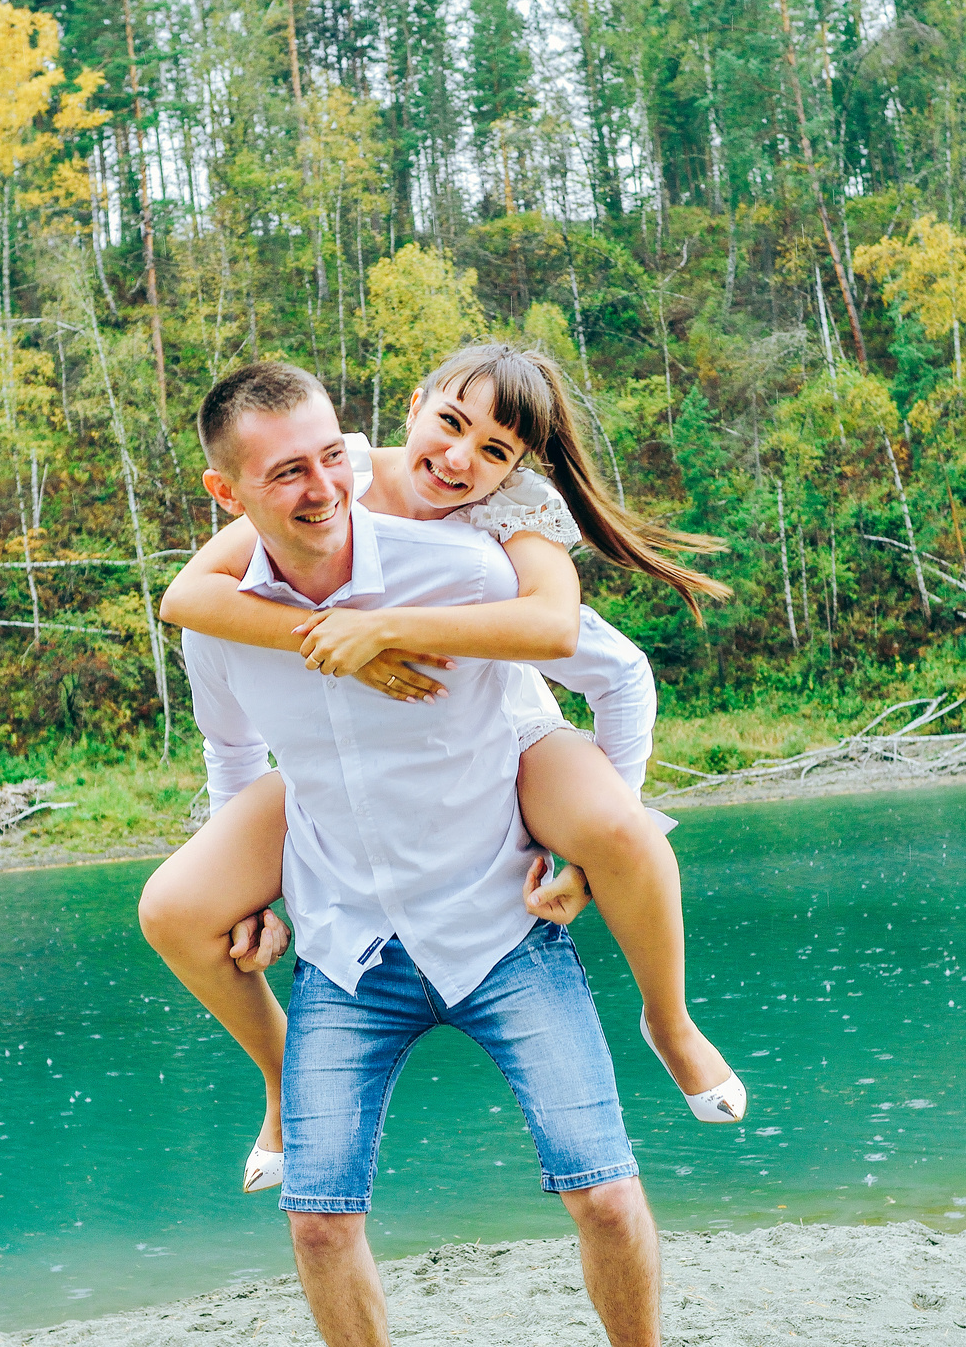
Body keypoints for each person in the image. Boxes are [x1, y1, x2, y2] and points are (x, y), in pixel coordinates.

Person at [153, 361, 751, 1347]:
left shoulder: (468, 564)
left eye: (331, 455)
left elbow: (604, 663)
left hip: (496, 920)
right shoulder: (220, 618)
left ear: (352, 442)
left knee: (603, 1187)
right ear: (229, 493)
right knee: (317, 1217)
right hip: (346, 938)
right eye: (286, 471)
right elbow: (230, 754)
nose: (322, 484)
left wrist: (579, 844)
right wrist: (252, 888)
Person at [141, 343, 744, 1196]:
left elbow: (598, 659)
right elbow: (188, 601)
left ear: (517, 465)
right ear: (416, 402)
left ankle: (670, 1021)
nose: (461, 459)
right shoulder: (334, 474)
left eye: (495, 449)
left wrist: (387, 630)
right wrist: (338, 646)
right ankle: (281, 1078)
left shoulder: (507, 523)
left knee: (620, 828)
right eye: (451, 423)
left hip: (504, 730)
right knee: (172, 907)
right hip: (340, 763)